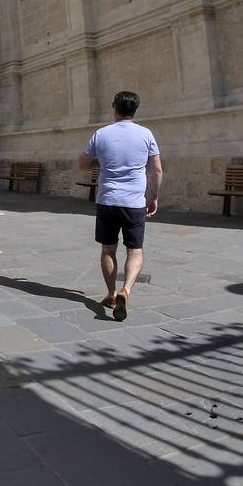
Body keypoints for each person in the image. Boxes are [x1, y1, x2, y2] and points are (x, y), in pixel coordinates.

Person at [78, 91, 162, 321]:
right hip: (134, 202)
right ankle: (127, 290)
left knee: (108, 249)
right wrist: (153, 197)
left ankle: (112, 294)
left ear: (114, 108)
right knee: (135, 250)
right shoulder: (146, 134)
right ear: (135, 110)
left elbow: (83, 165)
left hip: (107, 200)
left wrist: (101, 161)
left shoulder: (102, 134)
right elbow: (156, 170)